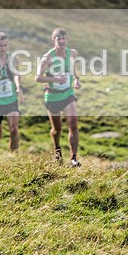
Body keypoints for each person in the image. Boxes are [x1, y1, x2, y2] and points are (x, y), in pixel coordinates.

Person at [36, 27, 82, 167]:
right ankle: (57, 150)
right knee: (57, 130)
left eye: (63, 38)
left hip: (68, 94)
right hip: (53, 96)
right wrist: (56, 80)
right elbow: (38, 78)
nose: (61, 41)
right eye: (58, 39)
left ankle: (73, 158)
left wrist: (76, 79)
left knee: (73, 124)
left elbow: (72, 68)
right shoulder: (48, 58)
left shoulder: (72, 53)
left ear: (67, 39)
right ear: (53, 41)